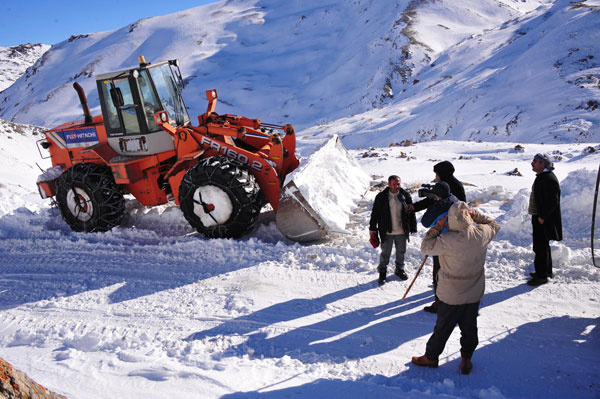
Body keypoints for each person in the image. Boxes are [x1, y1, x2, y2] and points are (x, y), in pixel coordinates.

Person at [411, 201, 500, 374]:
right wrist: (476, 215)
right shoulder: (481, 234)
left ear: (451, 219)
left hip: (450, 295)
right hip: (473, 292)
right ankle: (466, 358)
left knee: (442, 328)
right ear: (468, 217)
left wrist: (437, 226)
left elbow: (425, 246)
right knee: (469, 328)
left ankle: (431, 357)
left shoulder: (447, 240)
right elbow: (494, 224)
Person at [409, 180, 460, 313]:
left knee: (438, 273)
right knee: (452, 272)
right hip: (457, 240)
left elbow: (426, 222)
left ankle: (439, 303)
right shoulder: (454, 198)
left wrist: (434, 203)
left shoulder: (440, 204)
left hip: (442, 242)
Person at [369, 175, 417, 285]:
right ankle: (382, 271)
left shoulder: (405, 195)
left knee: (401, 252)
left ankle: (399, 269)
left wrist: (413, 226)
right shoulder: (381, 197)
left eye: (398, 184)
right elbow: (375, 213)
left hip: (401, 230)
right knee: (385, 253)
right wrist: (372, 228)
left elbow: (411, 211)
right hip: (387, 230)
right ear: (389, 184)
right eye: (394, 184)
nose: (397, 186)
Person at [527, 153, 562, 286]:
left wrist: (542, 217)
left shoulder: (548, 179)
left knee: (540, 247)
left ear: (542, 164)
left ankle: (541, 276)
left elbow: (553, 201)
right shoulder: (544, 177)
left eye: (535, 161)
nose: (532, 163)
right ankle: (545, 271)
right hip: (540, 217)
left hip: (542, 218)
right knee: (543, 246)